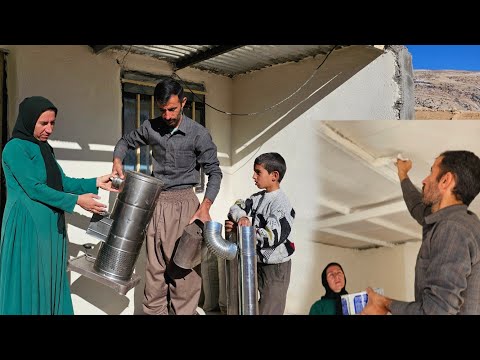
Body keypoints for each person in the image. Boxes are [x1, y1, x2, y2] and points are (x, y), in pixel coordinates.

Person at [111, 77, 222, 315]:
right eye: (162, 110)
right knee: (155, 273)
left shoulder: (198, 134)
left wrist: (205, 207)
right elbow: (125, 141)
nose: (168, 115)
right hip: (155, 203)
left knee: (184, 276)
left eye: (172, 109)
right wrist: (118, 159)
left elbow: (215, 172)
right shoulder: (151, 127)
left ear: (183, 102)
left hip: (186, 207)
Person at [0, 96, 118, 315]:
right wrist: (77, 202)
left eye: (52, 123)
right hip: (28, 226)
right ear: (28, 120)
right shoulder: (15, 148)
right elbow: (34, 188)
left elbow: (61, 182)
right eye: (43, 123)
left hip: (51, 225)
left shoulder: (45, 148)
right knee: (31, 280)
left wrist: (95, 182)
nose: (49, 129)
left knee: (49, 278)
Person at [362, 151, 480, 315]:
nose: (425, 180)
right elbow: (419, 209)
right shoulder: (461, 222)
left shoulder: (452, 229)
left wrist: (384, 303)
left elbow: (436, 311)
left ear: (445, 180)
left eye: (431, 172)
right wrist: (403, 174)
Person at [225, 152, 295, 315]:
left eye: (258, 172)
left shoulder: (282, 204)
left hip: (276, 267)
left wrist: (239, 230)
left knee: (270, 310)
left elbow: (271, 237)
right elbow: (236, 207)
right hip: (258, 262)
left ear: (274, 176)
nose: (253, 176)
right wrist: (241, 217)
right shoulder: (256, 198)